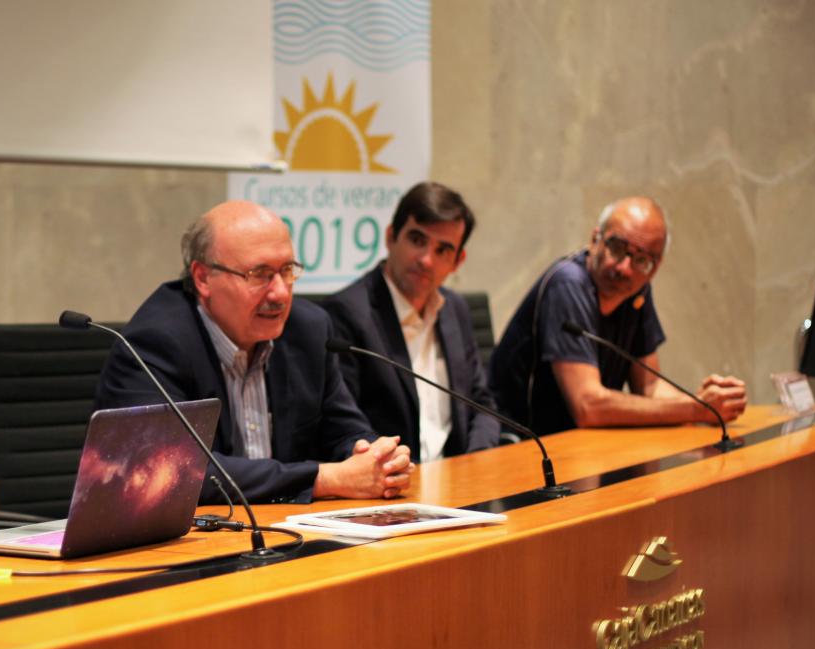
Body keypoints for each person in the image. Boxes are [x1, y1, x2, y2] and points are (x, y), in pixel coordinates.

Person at [93, 200, 413, 504]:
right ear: (203, 278)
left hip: (285, 533)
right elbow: (170, 472)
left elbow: (345, 430)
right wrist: (324, 478)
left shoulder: (308, 330)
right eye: (259, 275)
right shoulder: (156, 343)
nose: (280, 293)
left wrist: (375, 458)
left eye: (287, 270)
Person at [489, 196, 746, 436]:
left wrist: (708, 402)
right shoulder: (568, 285)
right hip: (523, 446)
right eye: (617, 248)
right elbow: (588, 406)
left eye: (641, 260)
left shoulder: (636, 293)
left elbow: (649, 388)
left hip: (580, 447)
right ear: (595, 240)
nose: (625, 268)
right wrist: (694, 409)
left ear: (655, 269)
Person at [323, 182, 499, 462]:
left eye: (443, 250)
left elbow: (482, 404)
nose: (427, 260)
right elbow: (344, 427)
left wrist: (475, 461)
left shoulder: (456, 310)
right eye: (417, 240)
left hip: (460, 481)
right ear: (391, 237)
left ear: (457, 261)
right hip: (395, 486)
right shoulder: (347, 314)